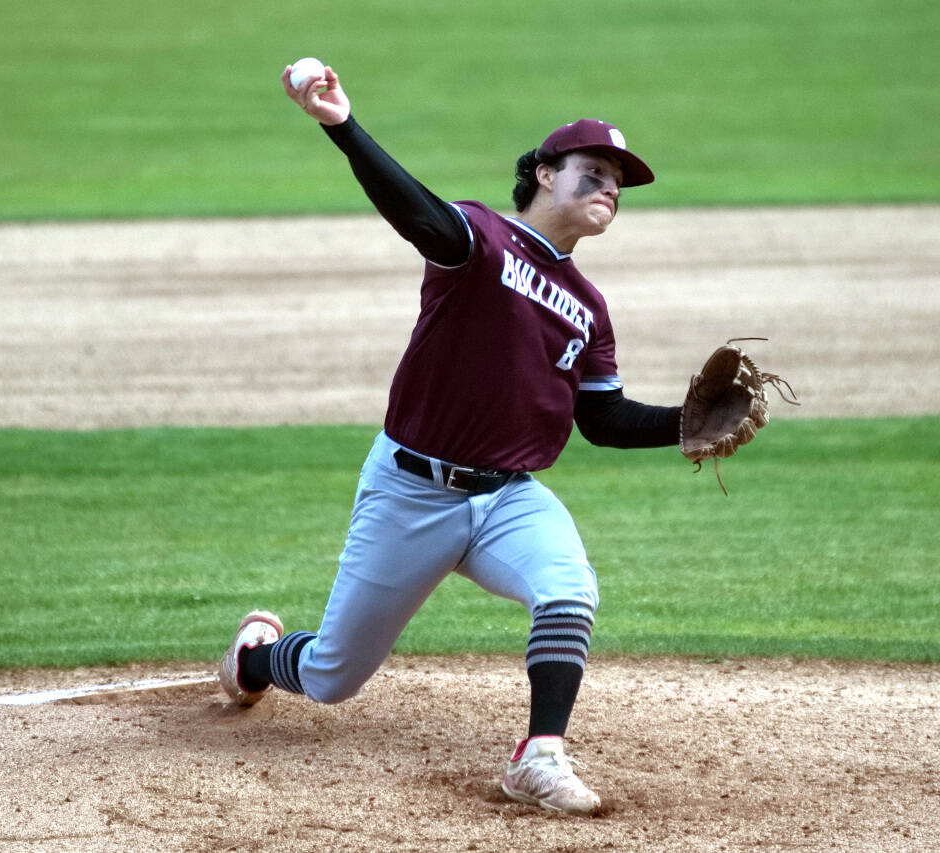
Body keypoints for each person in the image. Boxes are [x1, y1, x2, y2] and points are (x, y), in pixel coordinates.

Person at [218, 61, 681, 816]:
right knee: (334, 676)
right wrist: (343, 128)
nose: (609, 189)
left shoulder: (589, 307)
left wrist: (687, 425)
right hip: (410, 490)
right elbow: (418, 215)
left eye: (617, 183)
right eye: (593, 171)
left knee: (569, 587)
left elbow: (602, 419)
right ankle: (256, 658)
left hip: (508, 499)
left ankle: (539, 755)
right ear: (541, 172)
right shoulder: (481, 239)